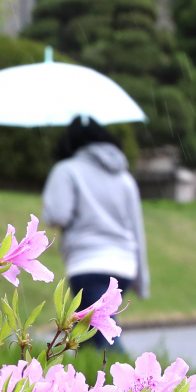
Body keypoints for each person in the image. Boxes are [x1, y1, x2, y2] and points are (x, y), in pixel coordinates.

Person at [41, 115, 149, 351]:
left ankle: (133, 384)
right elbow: (137, 229)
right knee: (88, 339)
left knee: (102, 338)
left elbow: (57, 215)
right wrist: (142, 280)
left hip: (88, 265)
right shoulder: (124, 178)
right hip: (125, 266)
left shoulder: (67, 170)